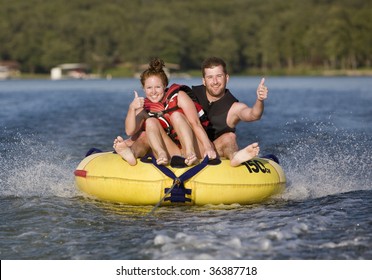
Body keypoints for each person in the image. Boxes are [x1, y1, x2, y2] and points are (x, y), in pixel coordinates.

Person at [113, 58, 216, 166]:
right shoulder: (144, 107)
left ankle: (190, 154)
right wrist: (131, 109)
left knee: (176, 115)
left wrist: (208, 148)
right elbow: (130, 131)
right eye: (149, 88)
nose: (153, 92)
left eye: (158, 87)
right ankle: (159, 155)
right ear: (143, 89)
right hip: (174, 150)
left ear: (165, 86)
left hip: (196, 148)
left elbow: (196, 124)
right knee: (150, 122)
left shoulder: (179, 96)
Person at [189, 57, 268, 167]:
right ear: (204, 81)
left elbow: (254, 115)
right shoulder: (190, 96)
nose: (215, 81)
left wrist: (259, 100)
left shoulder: (234, 108)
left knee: (229, 137)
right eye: (210, 77)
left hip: (215, 150)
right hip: (190, 149)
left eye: (219, 76)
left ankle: (235, 156)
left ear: (227, 78)